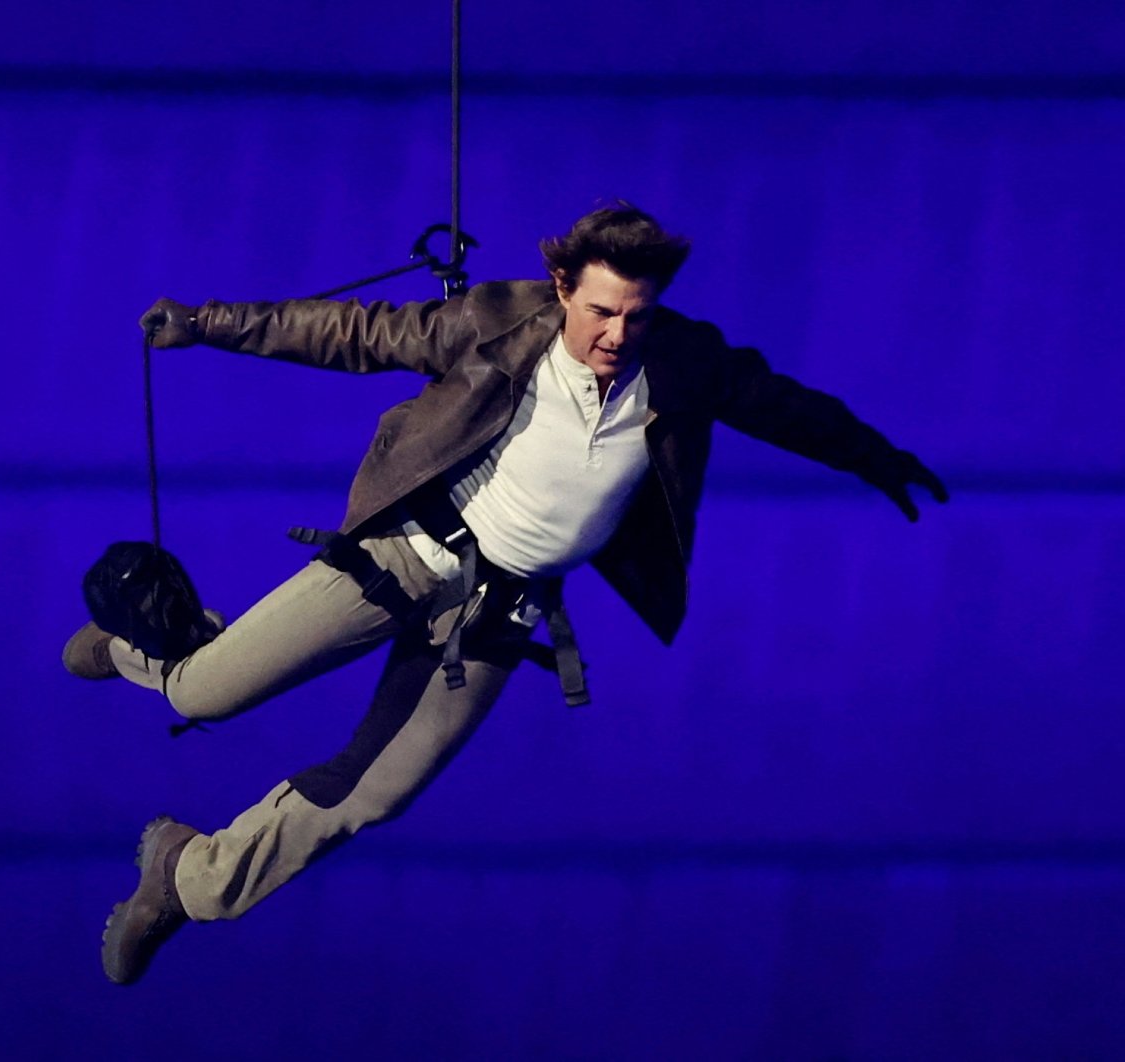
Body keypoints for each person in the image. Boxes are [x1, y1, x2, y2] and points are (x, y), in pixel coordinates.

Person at [63, 204, 947, 985]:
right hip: (405, 555)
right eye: (599, 310)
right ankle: (128, 651)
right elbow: (353, 333)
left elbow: (786, 407)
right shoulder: (497, 321)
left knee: (379, 790)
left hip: (495, 611)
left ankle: (188, 876)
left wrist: (877, 457)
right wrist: (206, 322)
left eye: (635, 316)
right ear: (563, 286)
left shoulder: (683, 360)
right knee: (206, 688)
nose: (614, 333)